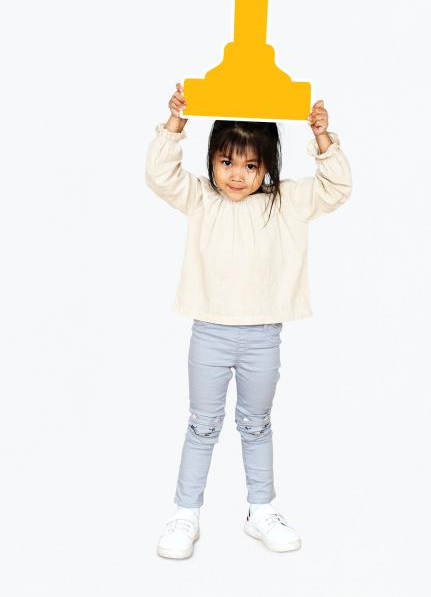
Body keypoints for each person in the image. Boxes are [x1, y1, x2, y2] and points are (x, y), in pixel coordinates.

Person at [146, 82, 353, 558]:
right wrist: (176, 122)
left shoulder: (285, 202)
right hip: (210, 333)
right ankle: (185, 513)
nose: (237, 175)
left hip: (262, 336)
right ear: (212, 161)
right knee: (202, 424)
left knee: (257, 423)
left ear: (267, 168)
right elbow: (159, 174)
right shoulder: (200, 199)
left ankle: (261, 509)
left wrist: (323, 138)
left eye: (250, 164)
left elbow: (337, 188)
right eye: (226, 162)